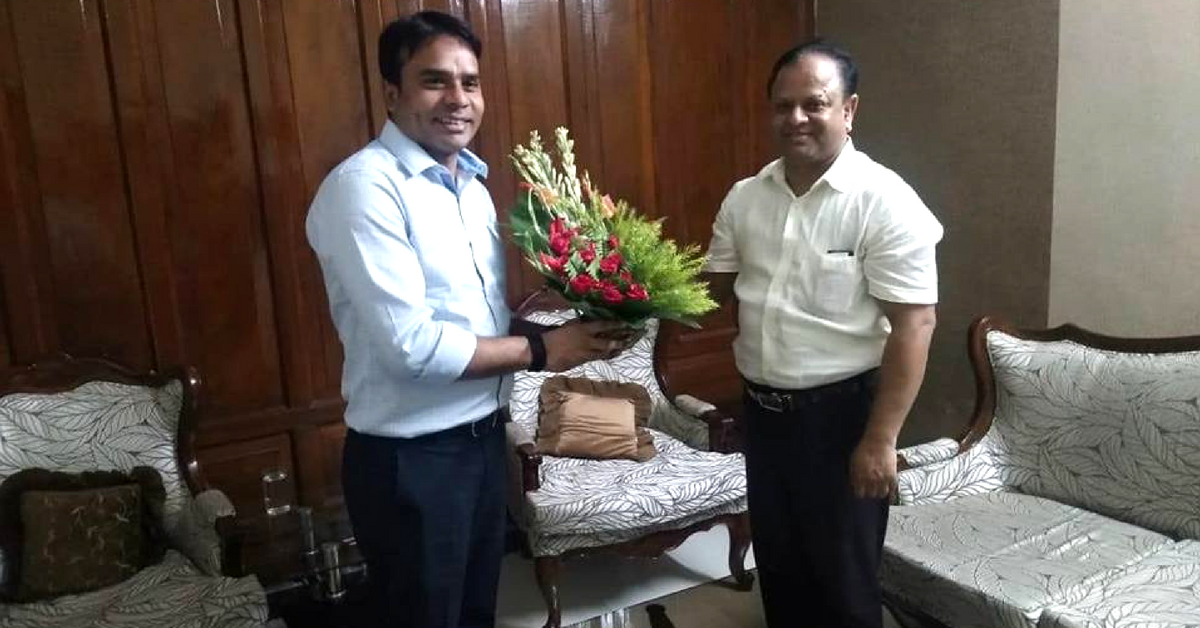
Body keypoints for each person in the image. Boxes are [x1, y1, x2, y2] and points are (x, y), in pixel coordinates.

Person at [305, 11, 628, 628]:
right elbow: (415, 349)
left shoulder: (472, 188)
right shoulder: (365, 189)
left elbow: (481, 320)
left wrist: (585, 326)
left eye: (470, 82)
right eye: (435, 81)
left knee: (477, 612)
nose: (458, 99)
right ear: (393, 93)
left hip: (482, 443)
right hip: (412, 462)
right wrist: (543, 351)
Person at [702, 39, 943, 628]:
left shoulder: (885, 201)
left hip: (843, 421)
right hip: (763, 415)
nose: (796, 119)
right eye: (783, 107)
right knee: (782, 570)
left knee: (844, 586)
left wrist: (881, 440)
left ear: (849, 109)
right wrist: (629, 292)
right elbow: (709, 295)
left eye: (815, 104)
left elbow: (916, 322)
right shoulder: (746, 198)